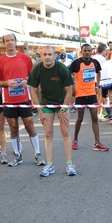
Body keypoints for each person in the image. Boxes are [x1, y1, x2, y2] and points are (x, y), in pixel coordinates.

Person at [0, 33, 45, 167]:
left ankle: (38, 154)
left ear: (16, 42)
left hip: (24, 99)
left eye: (12, 40)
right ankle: (17, 155)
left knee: (30, 126)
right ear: (4, 43)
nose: (10, 43)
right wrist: (7, 83)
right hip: (9, 100)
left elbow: (33, 77)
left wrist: (27, 81)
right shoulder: (0, 61)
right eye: (7, 41)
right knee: (13, 128)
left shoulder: (25, 58)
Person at [28, 46, 76, 176]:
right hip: (46, 103)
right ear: (41, 56)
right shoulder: (37, 69)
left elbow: (69, 90)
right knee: (48, 134)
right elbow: (33, 91)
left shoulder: (62, 68)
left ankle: (69, 164)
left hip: (61, 102)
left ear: (55, 55)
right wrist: (40, 111)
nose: (47, 57)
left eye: (50, 54)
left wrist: (64, 107)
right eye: (45, 54)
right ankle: (50, 165)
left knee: (65, 132)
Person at [68, 43, 109, 152]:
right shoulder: (76, 63)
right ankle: (75, 139)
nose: (87, 52)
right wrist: (72, 86)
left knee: (95, 118)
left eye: (89, 51)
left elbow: (98, 72)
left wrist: (97, 85)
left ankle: (97, 143)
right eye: (85, 51)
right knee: (80, 118)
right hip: (80, 94)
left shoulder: (95, 62)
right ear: (81, 52)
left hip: (92, 94)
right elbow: (68, 73)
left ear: (92, 52)